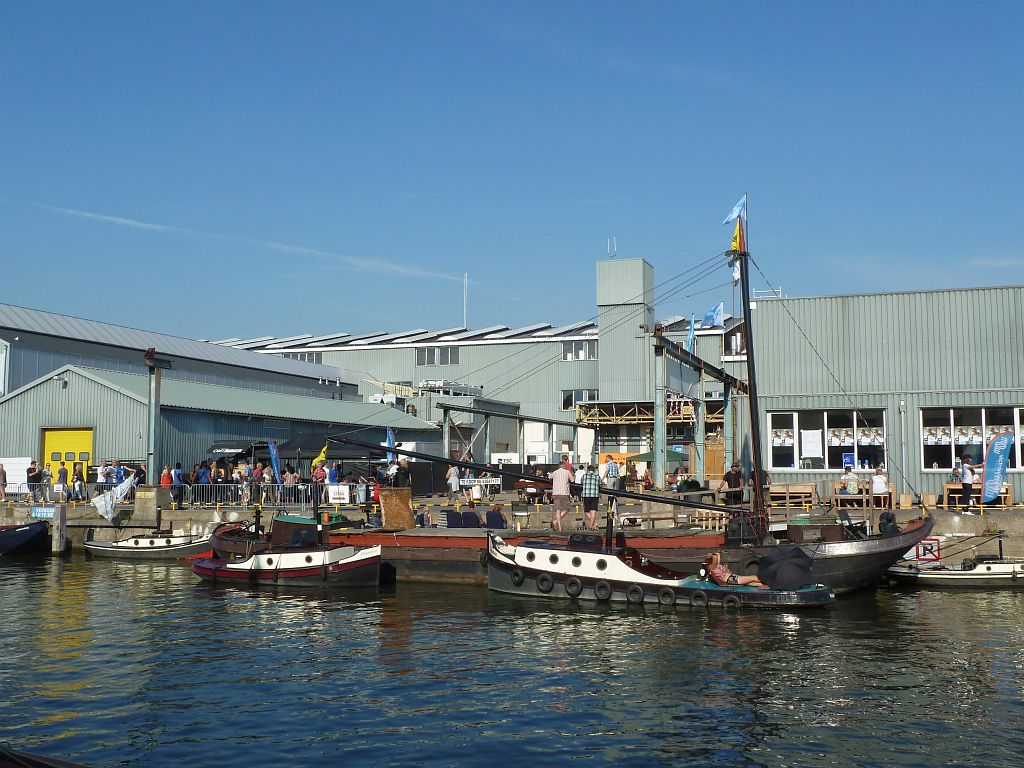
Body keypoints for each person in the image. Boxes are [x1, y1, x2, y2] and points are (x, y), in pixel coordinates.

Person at [704, 552, 769, 589]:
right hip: (731, 579)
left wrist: (713, 554)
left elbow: (718, 555)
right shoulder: (713, 567)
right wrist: (711, 555)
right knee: (753, 577)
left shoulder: (717, 565)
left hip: (732, 577)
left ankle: (765, 585)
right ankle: (770, 582)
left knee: (750, 582)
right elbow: (715, 557)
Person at [547, 460, 574, 532]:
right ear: (564, 466)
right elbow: (572, 480)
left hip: (556, 493)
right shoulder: (567, 472)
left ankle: (559, 527)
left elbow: (549, 477)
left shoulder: (555, 472)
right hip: (564, 493)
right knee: (567, 509)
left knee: (558, 510)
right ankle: (555, 521)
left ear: (559, 466)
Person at [579, 464, 601, 530]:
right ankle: (593, 525)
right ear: (594, 470)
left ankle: (592, 525)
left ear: (588, 470)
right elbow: (600, 483)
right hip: (595, 495)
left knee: (586, 511)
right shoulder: (597, 476)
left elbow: (581, 482)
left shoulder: (584, 476)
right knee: (593, 510)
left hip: (586, 495)